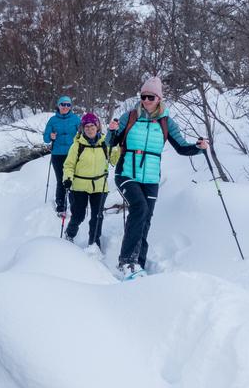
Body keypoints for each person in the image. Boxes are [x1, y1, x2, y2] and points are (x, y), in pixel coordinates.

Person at [107, 77, 209, 278]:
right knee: (139, 208)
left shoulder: (166, 122)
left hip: (151, 178)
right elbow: (111, 142)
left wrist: (198, 148)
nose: (146, 100)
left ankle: (139, 263)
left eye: (150, 97)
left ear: (159, 98)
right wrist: (111, 131)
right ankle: (126, 261)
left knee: (145, 219)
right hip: (126, 172)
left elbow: (181, 147)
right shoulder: (130, 117)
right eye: (143, 96)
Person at [62, 113, 119, 252]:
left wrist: (117, 147)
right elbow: (68, 165)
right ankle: (70, 234)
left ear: (97, 126)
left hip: (100, 185)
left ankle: (94, 243)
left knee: (97, 217)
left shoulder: (105, 143)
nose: (89, 129)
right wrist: (68, 178)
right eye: (86, 126)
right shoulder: (77, 145)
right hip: (79, 186)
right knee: (78, 215)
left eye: (92, 125)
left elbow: (113, 161)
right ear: (82, 128)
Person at [43, 95, 81, 215]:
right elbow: (45, 138)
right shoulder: (52, 120)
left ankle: (75, 205)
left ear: (70, 107)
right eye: (63, 104)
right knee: (61, 180)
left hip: (72, 154)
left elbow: (83, 134)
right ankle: (61, 205)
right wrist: (50, 136)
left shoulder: (76, 119)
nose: (65, 107)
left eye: (68, 105)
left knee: (73, 179)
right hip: (57, 154)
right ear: (58, 106)